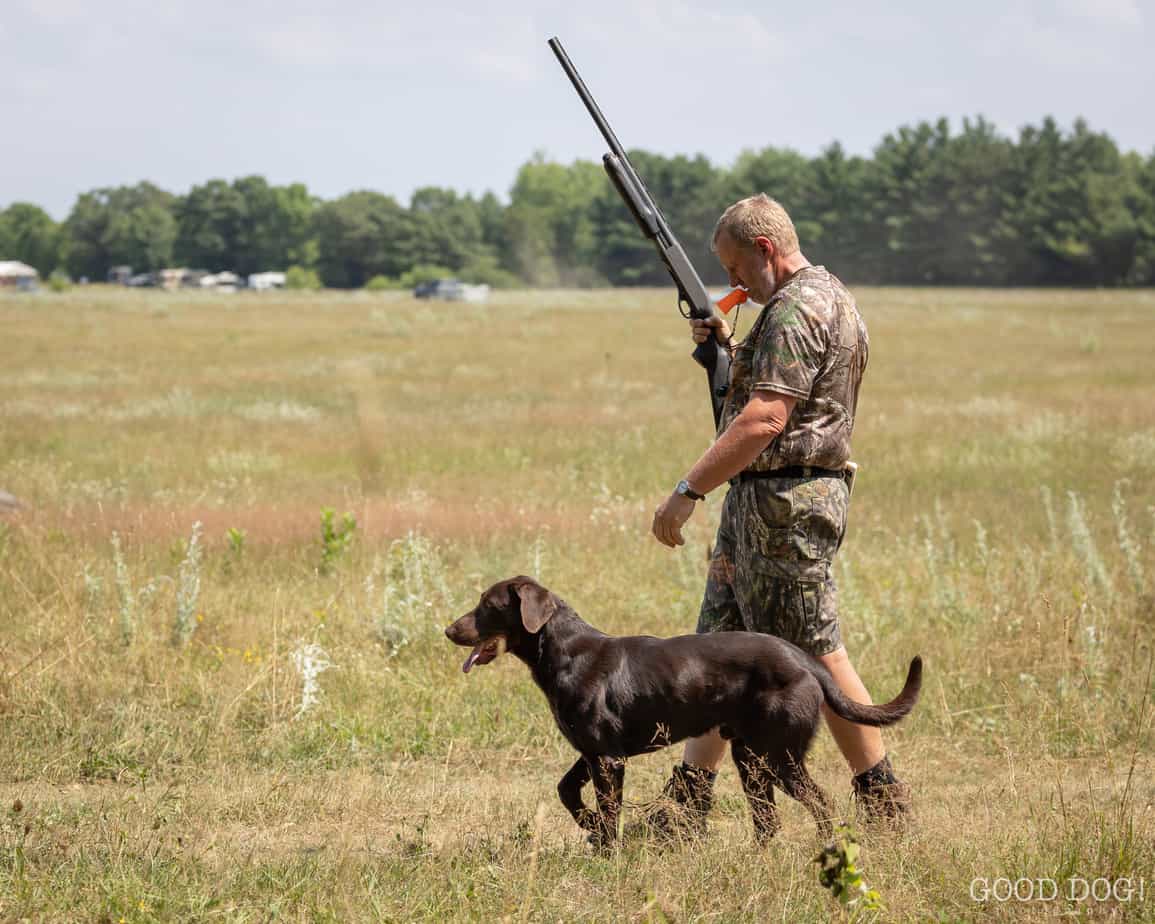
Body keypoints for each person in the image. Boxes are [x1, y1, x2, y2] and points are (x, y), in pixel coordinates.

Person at [647, 194, 911, 836]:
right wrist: (723, 351)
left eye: (737, 268)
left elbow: (768, 415)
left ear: (765, 249)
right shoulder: (824, 298)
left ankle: (884, 804)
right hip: (763, 502)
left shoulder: (797, 307)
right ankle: (686, 805)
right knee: (717, 655)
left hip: (787, 506)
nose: (733, 284)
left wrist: (688, 488)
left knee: (814, 654)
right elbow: (772, 390)